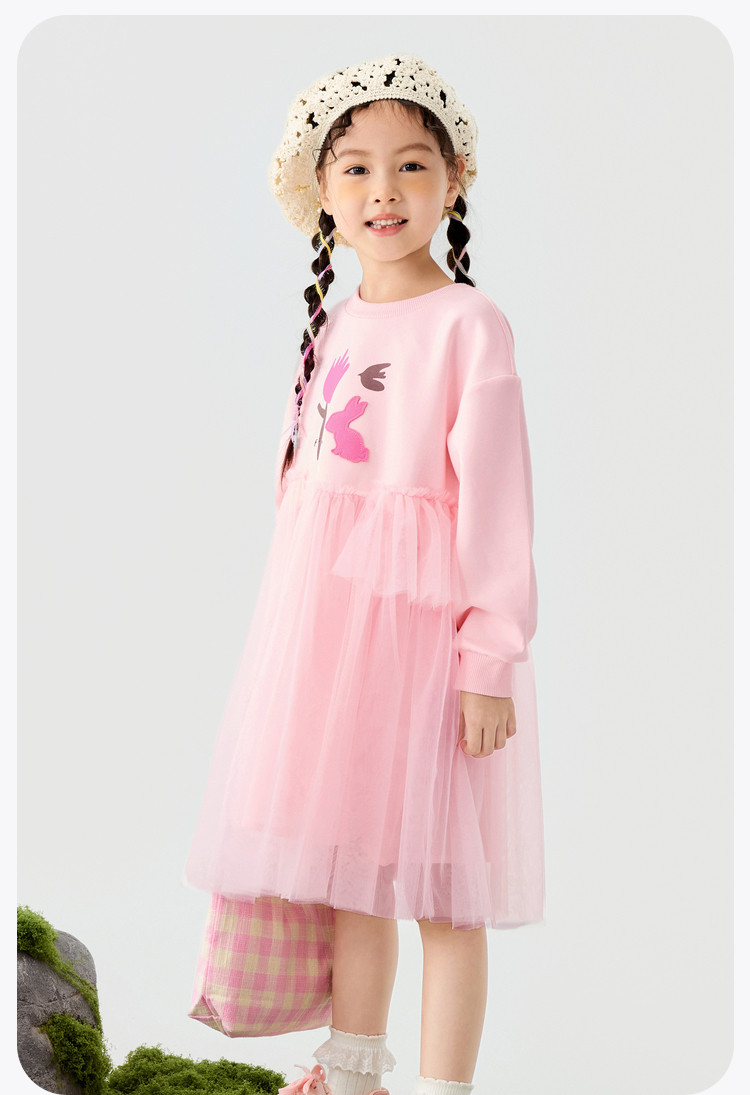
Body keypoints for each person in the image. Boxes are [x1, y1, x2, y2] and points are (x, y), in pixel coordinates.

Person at [185, 53, 545, 1095]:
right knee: (351, 864)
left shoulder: (469, 325)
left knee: (445, 890)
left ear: (454, 180)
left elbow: (497, 505)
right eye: (357, 169)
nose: (384, 191)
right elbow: (309, 498)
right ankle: (351, 1071)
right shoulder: (335, 322)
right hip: (331, 640)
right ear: (324, 191)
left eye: (411, 165)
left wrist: (489, 657)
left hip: (425, 641)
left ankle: (444, 1087)